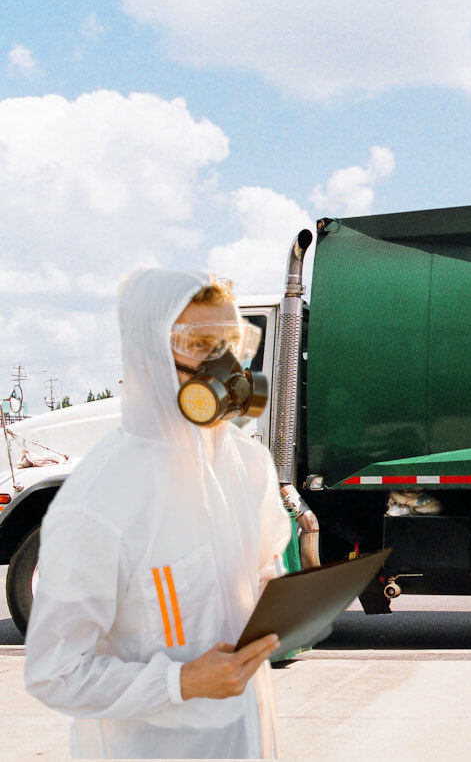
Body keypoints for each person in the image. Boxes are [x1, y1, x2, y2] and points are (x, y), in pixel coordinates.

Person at [25, 268, 293, 759]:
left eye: (230, 343)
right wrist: (181, 681)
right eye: (200, 343)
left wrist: (281, 599)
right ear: (148, 356)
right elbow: (55, 672)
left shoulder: (246, 463)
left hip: (248, 741)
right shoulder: (99, 500)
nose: (224, 364)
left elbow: (263, 569)